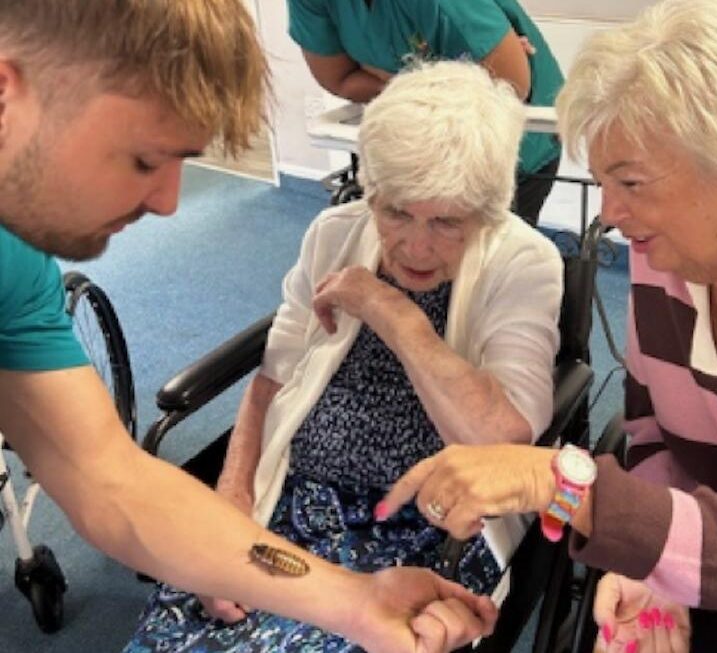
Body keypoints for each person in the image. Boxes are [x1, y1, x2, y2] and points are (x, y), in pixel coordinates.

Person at [0, 3, 497, 651]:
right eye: (145, 160)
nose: (168, 202)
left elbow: (111, 482)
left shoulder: (16, 262)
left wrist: (353, 599)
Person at [378, 1, 717, 651]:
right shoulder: (667, 255)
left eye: (630, 182)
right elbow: (653, 433)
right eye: (603, 182)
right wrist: (655, 571)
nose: (609, 213)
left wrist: (555, 483)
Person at [123, 60, 563, 652]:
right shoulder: (334, 232)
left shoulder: (524, 262)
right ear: (372, 192)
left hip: (426, 534)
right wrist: (233, 502)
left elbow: (501, 439)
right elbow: (271, 382)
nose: (415, 245)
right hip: (294, 500)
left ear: (485, 213)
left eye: (446, 222)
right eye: (396, 210)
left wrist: (389, 309)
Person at [286, 0, 564, 227]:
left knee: (487, 259)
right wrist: (446, 78)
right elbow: (339, 79)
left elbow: (509, 85)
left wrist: (390, 78)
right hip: (419, 154)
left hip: (515, 140)